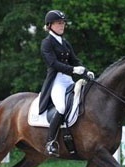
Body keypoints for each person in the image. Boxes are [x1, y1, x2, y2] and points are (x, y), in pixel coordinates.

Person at [39, 10, 94, 157]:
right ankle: (50, 142)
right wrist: (73, 69)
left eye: (63, 23)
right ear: (50, 25)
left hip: (68, 80)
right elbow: (53, 63)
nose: (62, 25)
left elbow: (75, 60)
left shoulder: (65, 43)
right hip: (56, 81)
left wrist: (86, 72)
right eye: (59, 23)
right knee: (62, 107)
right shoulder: (47, 43)